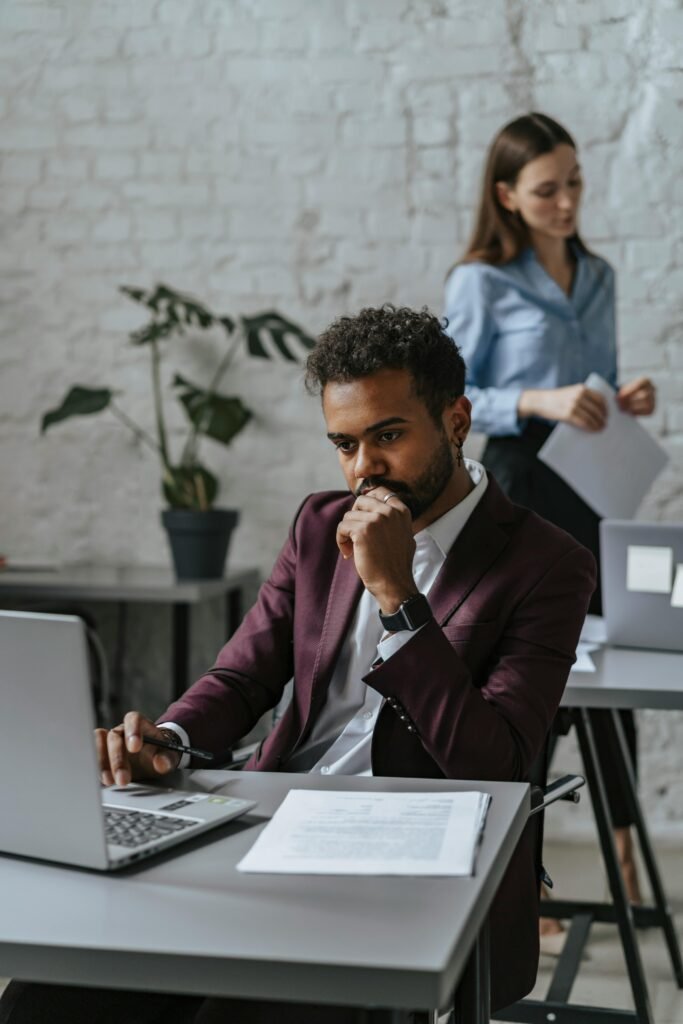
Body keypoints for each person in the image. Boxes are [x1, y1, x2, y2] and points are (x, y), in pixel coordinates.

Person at [0, 305, 596, 1023]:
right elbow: (242, 675)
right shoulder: (319, 526)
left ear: (456, 420)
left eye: (389, 436)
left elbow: (495, 765)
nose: (363, 468)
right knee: (47, 993)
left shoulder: (546, 564)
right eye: (344, 444)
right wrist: (168, 738)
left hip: (411, 869)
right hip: (270, 826)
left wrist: (398, 595)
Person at [442, 112, 656, 942]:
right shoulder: (480, 281)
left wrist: (619, 396)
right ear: (506, 195)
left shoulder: (597, 274)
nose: (565, 201)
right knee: (527, 676)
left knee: (611, 668)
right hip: (522, 483)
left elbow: (591, 380)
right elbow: (452, 401)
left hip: (592, 475)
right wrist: (536, 399)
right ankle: (515, 888)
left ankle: (626, 866)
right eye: (546, 189)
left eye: (573, 183)